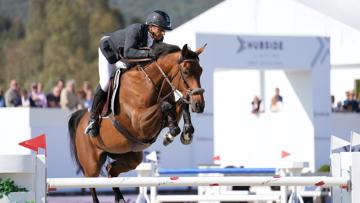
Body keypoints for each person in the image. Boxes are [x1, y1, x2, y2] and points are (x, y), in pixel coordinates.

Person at [85, 10, 172, 137]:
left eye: (164, 30)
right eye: (161, 29)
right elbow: (129, 52)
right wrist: (149, 54)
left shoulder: (158, 38)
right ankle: (92, 118)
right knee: (105, 82)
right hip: (110, 52)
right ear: (152, 26)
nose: (163, 33)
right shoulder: (136, 29)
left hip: (125, 58)